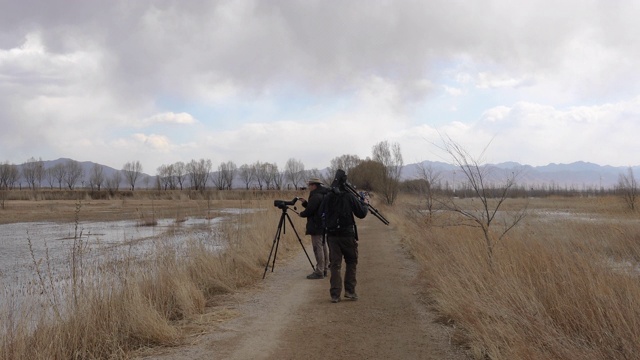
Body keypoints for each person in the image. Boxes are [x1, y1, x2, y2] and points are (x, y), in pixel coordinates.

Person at [323, 170, 368, 303]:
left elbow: (321, 213)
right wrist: (364, 203)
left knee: (335, 265)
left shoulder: (328, 196)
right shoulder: (349, 196)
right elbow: (361, 213)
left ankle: (335, 295)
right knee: (351, 261)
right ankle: (350, 291)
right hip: (347, 234)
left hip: (331, 235)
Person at [298, 177, 330, 279]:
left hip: (316, 225)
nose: (308, 187)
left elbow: (310, 211)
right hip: (323, 224)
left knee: (318, 248)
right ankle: (324, 268)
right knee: (323, 246)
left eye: (309, 185)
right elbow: (314, 208)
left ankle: (319, 271)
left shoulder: (315, 196)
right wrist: (305, 204)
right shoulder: (323, 194)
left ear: (314, 185)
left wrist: (301, 214)